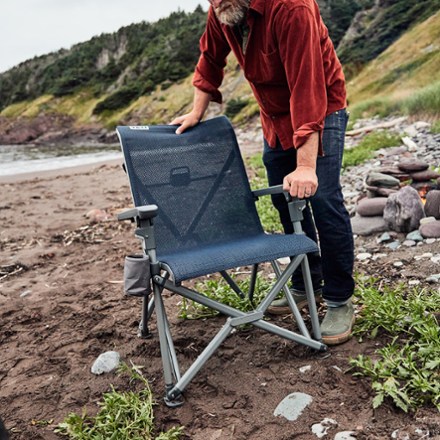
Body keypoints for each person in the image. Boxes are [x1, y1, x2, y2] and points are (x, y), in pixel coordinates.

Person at [170, 0, 355, 345]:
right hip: (274, 117)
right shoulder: (223, 9)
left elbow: (306, 88)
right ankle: (305, 284)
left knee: (323, 198)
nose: (215, 1)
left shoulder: (292, 8)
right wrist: (196, 111)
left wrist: (304, 166)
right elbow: (210, 61)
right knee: (285, 201)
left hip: (321, 108)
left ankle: (339, 299)